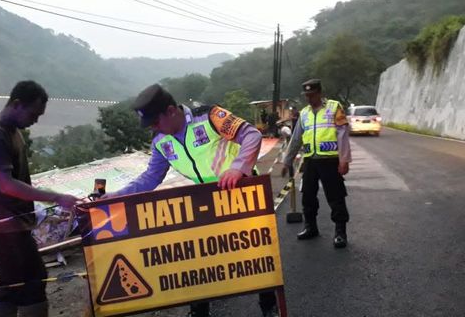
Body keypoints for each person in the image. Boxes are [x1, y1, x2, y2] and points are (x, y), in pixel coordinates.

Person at [105, 84, 279, 317]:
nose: (154, 129)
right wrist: (116, 197)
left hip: (242, 192)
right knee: (201, 257)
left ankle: (268, 306)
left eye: (155, 122)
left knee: (255, 254)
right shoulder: (160, 140)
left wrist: (239, 168)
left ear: (170, 111)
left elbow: (251, 135)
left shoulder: (210, 117)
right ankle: (198, 311)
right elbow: (151, 177)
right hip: (206, 199)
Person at [0, 80, 80, 317]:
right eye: (33, 114)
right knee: (19, 285)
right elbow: (6, 184)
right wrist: (56, 198)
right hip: (2, 226)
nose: (35, 121)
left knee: (21, 284)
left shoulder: (12, 132)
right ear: (17, 104)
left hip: (14, 223)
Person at [281, 79, 352, 248]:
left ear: (320, 93)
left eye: (312, 95)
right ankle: (310, 227)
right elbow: (296, 138)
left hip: (330, 161)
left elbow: (343, 135)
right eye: (306, 95)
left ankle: (340, 232)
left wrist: (344, 160)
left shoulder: (334, 107)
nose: (309, 98)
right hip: (310, 161)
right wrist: (287, 161)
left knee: (336, 197)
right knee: (307, 196)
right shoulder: (304, 113)